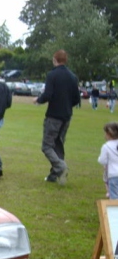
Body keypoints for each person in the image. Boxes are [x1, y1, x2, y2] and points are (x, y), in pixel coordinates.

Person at [33, 49, 80, 185]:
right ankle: (55, 175)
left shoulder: (52, 75)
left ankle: (60, 167)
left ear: (55, 60)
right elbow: (76, 98)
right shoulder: (73, 77)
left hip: (54, 115)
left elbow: (48, 94)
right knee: (58, 145)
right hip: (67, 115)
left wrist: (38, 100)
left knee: (47, 146)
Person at [98, 122, 118, 199]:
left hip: (113, 175)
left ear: (109, 134)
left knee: (114, 197)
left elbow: (102, 161)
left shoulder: (106, 146)